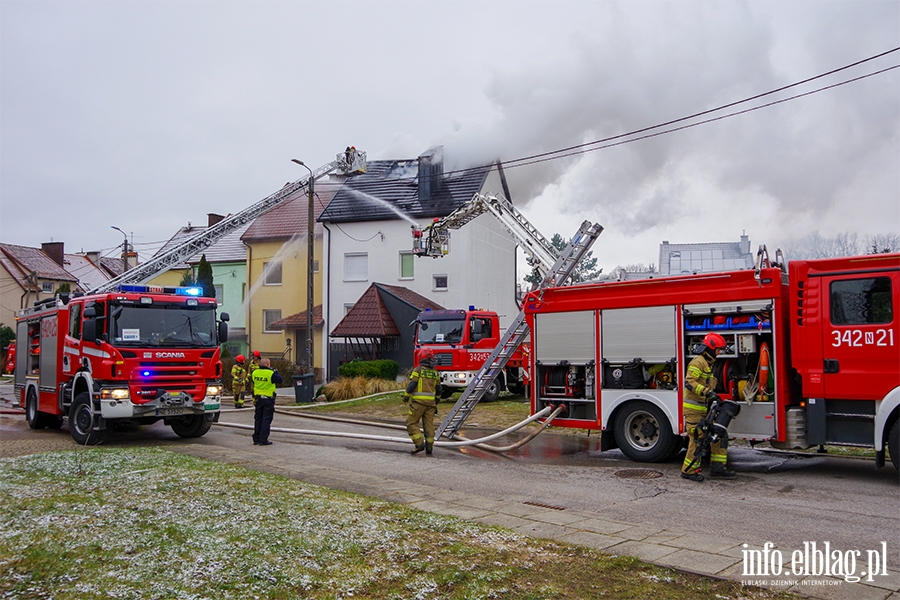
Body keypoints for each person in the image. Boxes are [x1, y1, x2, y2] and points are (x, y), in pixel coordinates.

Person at [682, 332, 736, 481]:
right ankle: (688, 471)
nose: (719, 353)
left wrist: (715, 397)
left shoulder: (708, 364)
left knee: (719, 434)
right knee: (697, 438)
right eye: (718, 349)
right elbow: (690, 382)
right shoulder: (698, 362)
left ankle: (718, 468)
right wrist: (708, 393)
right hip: (694, 410)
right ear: (711, 348)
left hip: (704, 409)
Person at [403, 351, 442, 455]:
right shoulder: (434, 372)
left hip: (418, 404)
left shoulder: (418, 370)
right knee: (429, 425)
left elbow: (412, 385)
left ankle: (419, 444)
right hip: (431, 405)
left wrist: (406, 397)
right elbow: (439, 389)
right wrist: (436, 401)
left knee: (411, 423)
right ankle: (429, 448)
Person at [251, 357, 282, 446]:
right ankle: (263, 439)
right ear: (268, 364)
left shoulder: (255, 372)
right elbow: (280, 380)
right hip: (268, 399)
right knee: (266, 419)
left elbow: (253, 381)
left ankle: (256, 438)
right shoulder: (271, 373)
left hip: (258, 399)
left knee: (258, 418)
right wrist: (276, 372)